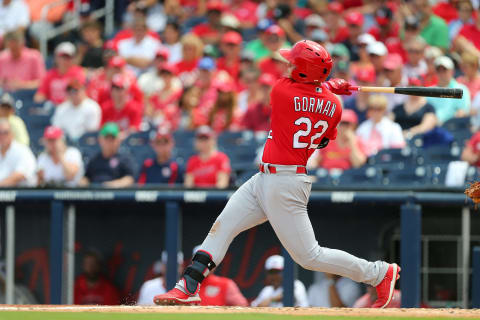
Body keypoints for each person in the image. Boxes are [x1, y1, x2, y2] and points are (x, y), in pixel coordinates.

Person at [153, 40, 400, 308]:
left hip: (285, 182)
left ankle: (378, 272)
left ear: (306, 70)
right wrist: (327, 90)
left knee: (309, 256)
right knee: (222, 226)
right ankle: (188, 286)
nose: (288, 65)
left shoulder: (282, 91)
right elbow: (324, 141)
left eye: (294, 63)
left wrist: (326, 87)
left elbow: (302, 100)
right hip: (266, 178)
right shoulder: (335, 107)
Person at [81, 122, 135, 188]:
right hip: (96, 194)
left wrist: (113, 185)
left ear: (118, 141)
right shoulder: (94, 159)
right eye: (107, 139)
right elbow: (86, 177)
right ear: (100, 140)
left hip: (117, 195)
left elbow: (130, 179)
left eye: (112, 139)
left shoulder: (124, 159)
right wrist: (82, 183)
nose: (109, 143)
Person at [426, 56, 471, 124]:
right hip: (431, 127)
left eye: (444, 70)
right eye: (439, 70)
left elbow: (463, 111)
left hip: (453, 126)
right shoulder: (429, 91)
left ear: (452, 71)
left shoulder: (461, 89)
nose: (442, 73)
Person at [0, 119, 36, 187]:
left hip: (23, 194)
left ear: (12, 134)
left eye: (5, 132)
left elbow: (18, 176)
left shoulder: (22, 150)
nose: (2, 136)